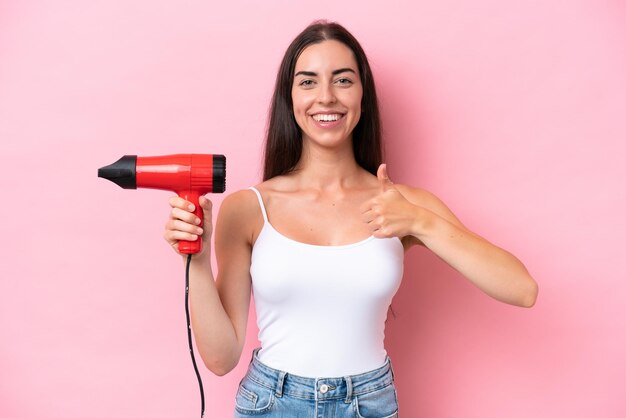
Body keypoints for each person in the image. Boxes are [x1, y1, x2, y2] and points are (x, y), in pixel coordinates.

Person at [163, 20, 538, 417]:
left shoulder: (402, 204)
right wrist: (198, 263)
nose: (326, 97)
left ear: (363, 95)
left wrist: (419, 222)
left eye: (342, 80)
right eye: (308, 82)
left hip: (369, 404)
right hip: (270, 404)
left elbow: (521, 289)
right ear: (289, 98)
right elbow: (221, 358)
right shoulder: (249, 208)